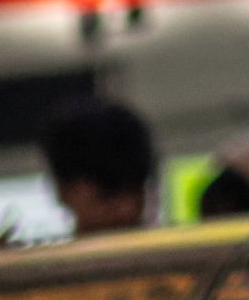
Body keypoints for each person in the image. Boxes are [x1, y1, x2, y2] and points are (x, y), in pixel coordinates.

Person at [40, 100, 161, 237]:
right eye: (107, 194)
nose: (128, 209)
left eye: (137, 190)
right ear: (64, 190)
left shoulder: (175, 254)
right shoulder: (38, 258)